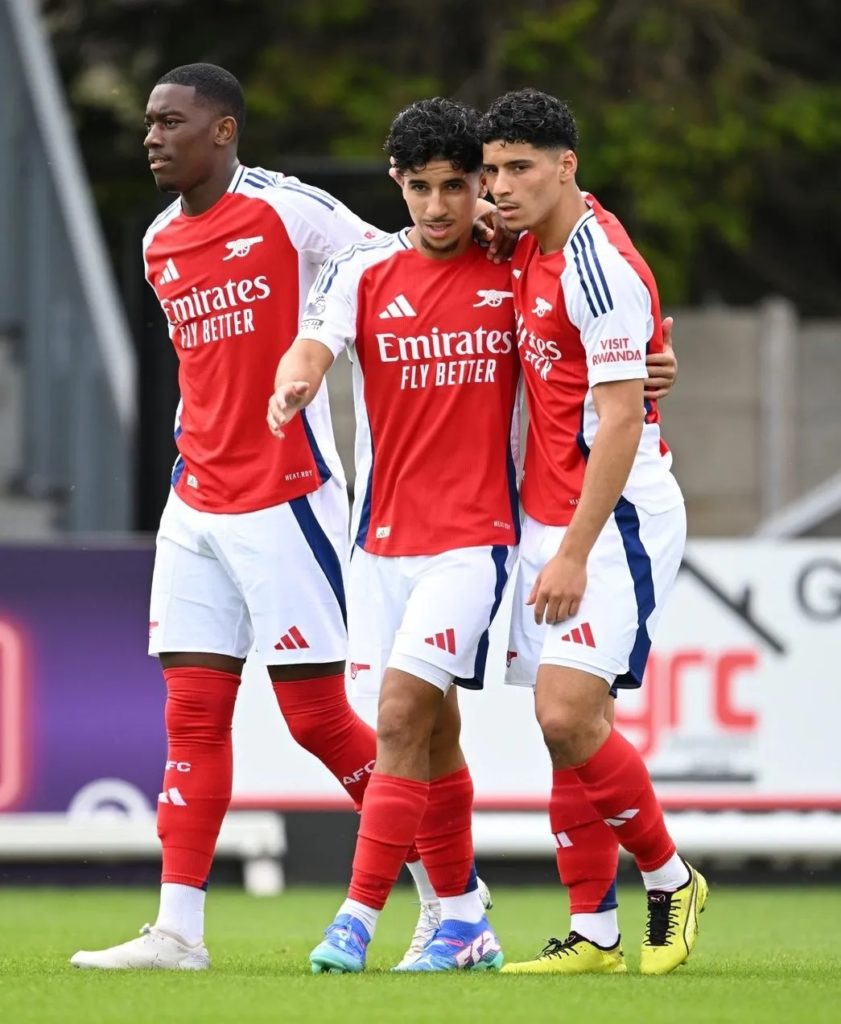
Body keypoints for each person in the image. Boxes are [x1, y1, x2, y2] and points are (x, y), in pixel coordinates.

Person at [69, 63, 478, 972]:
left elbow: (397, 257)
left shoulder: (292, 211)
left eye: (170, 122)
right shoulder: (155, 244)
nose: (150, 137)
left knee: (317, 719)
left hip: (286, 495)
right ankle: (178, 932)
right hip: (195, 501)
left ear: (223, 131)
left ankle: (454, 899)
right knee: (192, 714)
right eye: (147, 122)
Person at [267, 98, 678, 975]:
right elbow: (313, 343)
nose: (451, 203)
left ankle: (357, 916)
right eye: (431, 187)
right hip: (385, 543)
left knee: (417, 715)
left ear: (557, 167)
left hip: (498, 535)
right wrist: (294, 382)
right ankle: (473, 917)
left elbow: (611, 367)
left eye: (469, 183)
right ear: (399, 187)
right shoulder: (393, 266)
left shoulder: (537, 257)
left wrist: (647, 378)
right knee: (456, 729)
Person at [479, 88, 707, 976]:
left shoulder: (596, 262)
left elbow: (617, 422)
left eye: (519, 168)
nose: (500, 185)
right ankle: (594, 933)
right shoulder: (526, 247)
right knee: (566, 729)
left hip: (613, 519)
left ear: (566, 165)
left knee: (566, 713)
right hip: (548, 513)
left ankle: (669, 878)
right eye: (493, 169)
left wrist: (573, 549)